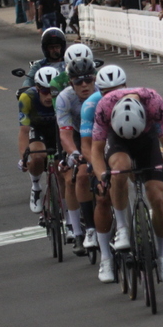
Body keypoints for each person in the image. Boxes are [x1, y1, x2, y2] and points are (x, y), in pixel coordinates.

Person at [92, 89, 163, 283]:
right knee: (119, 169)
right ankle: (122, 227)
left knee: (157, 196)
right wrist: (102, 178)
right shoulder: (104, 107)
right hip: (117, 141)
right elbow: (96, 150)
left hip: (146, 141)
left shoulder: (154, 103)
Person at [80, 64, 128, 282]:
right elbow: (89, 145)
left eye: (118, 90)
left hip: (126, 142)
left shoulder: (136, 99)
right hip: (101, 145)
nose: (114, 96)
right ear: (100, 92)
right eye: (108, 93)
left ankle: (130, 227)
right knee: (102, 196)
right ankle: (106, 259)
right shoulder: (92, 106)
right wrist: (100, 174)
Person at [56, 57, 99, 255]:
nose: (84, 85)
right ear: (70, 83)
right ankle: (88, 229)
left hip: (100, 134)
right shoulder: (65, 98)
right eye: (78, 82)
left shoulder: (102, 92)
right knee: (81, 175)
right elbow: (64, 133)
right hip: (77, 135)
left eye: (88, 80)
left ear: (94, 79)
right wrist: (74, 154)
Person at [18, 66, 60, 214]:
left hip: (59, 130)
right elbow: (24, 131)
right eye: (44, 91)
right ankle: (36, 187)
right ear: (37, 88)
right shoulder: (27, 98)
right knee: (37, 156)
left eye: (52, 91)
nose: (49, 96)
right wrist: (24, 157)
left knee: (60, 163)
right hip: (38, 130)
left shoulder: (65, 95)